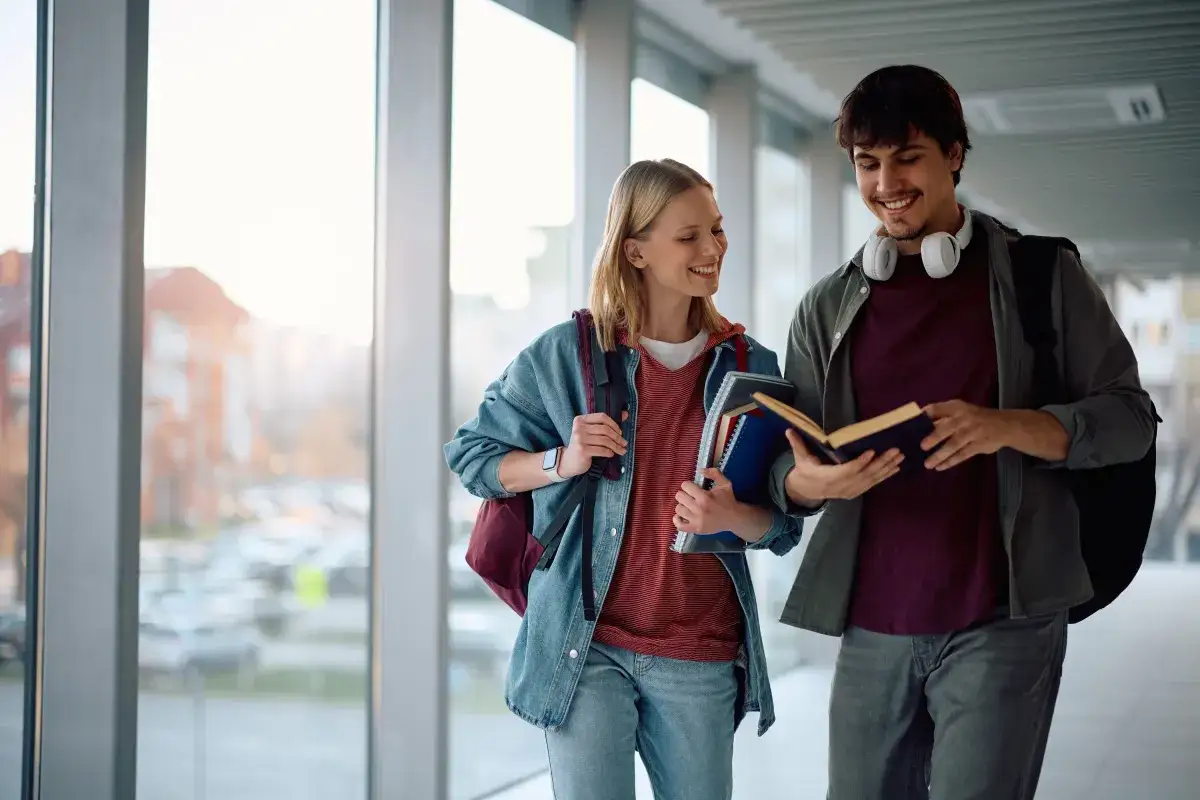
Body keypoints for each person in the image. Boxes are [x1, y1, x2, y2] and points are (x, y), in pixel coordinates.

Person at [768, 65, 1157, 800]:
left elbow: (1130, 420)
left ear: (954, 155)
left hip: (1002, 621)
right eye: (867, 163)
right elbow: (788, 468)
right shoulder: (826, 309)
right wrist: (805, 484)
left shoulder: (1044, 279)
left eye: (908, 157)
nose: (887, 183)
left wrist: (1007, 427)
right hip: (873, 626)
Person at [445, 158, 803, 800]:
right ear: (634, 250)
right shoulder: (566, 356)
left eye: (716, 231)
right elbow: (472, 457)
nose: (712, 249)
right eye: (688, 236)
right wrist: (563, 460)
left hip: (699, 648)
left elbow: (781, 525)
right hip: (586, 648)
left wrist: (729, 519)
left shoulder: (752, 368)